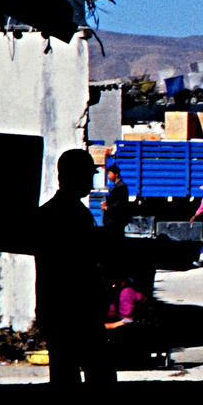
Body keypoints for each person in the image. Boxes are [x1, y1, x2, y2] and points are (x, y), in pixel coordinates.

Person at [35, 148, 114, 385]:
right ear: (73, 176)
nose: (91, 181)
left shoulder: (46, 213)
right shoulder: (74, 215)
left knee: (63, 371)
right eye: (87, 175)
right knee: (99, 372)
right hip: (77, 308)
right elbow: (85, 261)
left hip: (55, 309)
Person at [102, 163, 131, 239]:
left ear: (116, 174)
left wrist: (108, 207)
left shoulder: (121, 186)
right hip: (114, 219)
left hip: (116, 219)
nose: (108, 176)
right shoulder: (117, 186)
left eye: (109, 174)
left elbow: (120, 203)